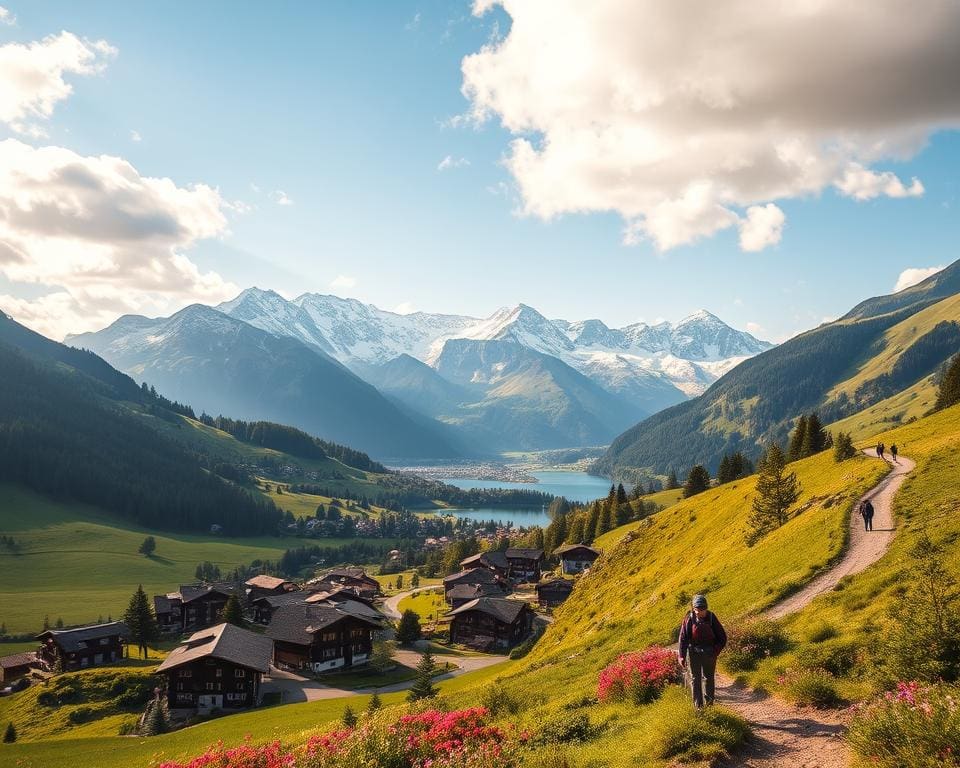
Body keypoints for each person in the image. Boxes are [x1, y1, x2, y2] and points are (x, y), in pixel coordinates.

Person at [677, 594, 726, 708]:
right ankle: (698, 707)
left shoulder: (712, 618)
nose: (699, 612)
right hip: (694, 653)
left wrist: (715, 651)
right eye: (697, 609)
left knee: (709, 678)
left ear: (706, 608)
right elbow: (683, 638)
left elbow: (722, 638)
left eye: (702, 609)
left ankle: (709, 705)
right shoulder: (689, 618)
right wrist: (681, 656)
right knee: (695, 679)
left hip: (710, 653)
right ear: (693, 608)